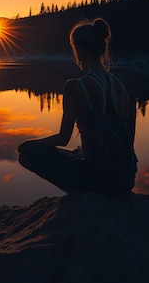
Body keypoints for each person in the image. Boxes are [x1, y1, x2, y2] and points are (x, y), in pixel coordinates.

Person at [18, 18, 136, 196]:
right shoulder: (123, 86)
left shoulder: (75, 86)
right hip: (126, 179)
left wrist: (29, 143)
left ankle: (81, 192)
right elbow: (129, 143)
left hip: (97, 177)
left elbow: (63, 138)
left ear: (79, 50)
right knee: (78, 153)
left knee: (27, 153)